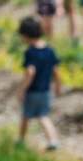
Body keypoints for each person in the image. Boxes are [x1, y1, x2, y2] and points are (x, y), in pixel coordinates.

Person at [17, 16, 61, 151]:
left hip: (33, 91)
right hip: (46, 91)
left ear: (26, 35)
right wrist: (58, 86)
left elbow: (30, 72)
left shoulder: (30, 52)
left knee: (26, 116)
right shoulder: (49, 50)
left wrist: (22, 89)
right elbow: (55, 71)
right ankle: (53, 140)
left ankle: (21, 140)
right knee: (43, 116)